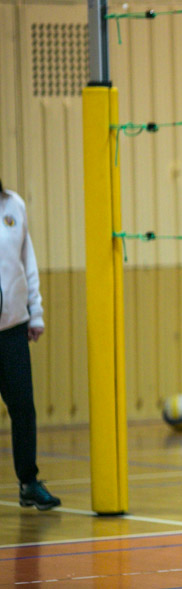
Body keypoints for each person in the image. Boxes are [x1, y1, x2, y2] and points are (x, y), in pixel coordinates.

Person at [0, 179, 61, 510]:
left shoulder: (14, 205)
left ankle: (29, 482)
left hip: (12, 326)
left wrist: (35, 313)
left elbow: (28, 262)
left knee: (23, 407)